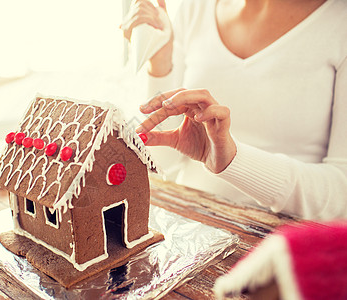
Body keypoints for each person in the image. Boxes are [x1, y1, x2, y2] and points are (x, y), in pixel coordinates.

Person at [121, 0, 347, 220]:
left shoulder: (339, 24)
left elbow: (341, 195)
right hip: (188, 225)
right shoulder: (195, 9)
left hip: (278, 245)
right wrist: (160, 66)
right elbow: (162, 162)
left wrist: (233, 160)